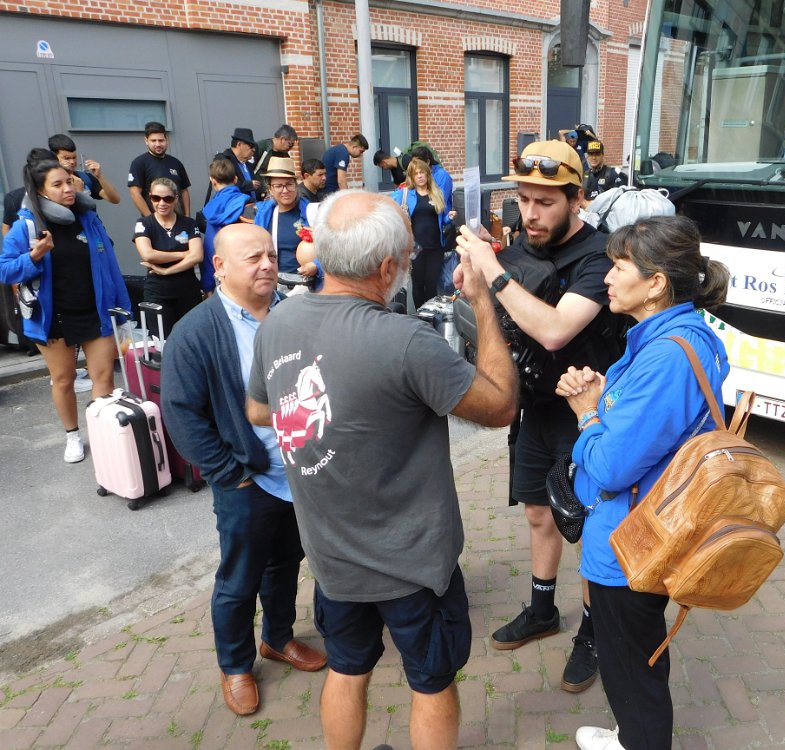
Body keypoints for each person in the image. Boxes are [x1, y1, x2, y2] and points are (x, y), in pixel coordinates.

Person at [246, 190, 518, 750]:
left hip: (333, 558)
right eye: (409, 257)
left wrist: (334, 414)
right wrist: (483, 302)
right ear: (387, 269)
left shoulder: (279, 322)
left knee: (348, 668)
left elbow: (258, 409)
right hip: (412, 563)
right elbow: (500, 407)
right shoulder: (405, 341)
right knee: (431, 681)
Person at [558, 216, 730, 750]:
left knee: (632, 668)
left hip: (632, 540)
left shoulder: (668, 355)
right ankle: (632, 735)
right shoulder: (678, 338)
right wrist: (608, 397)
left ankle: (638, 740)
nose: (608, 278)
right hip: (640, 527)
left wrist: (588, 413)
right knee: (637, 658)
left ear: (656, 283)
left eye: (619, 267)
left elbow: (612, 467)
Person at [459, 139, 623, 693]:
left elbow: (555, 330)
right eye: (524, 200)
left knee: (590, 529)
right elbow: (497, 313)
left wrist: (493, 271)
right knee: (538, 513)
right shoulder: (520, 245)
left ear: (576, 200)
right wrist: (475, 283)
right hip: (536, 408)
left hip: (587, 414)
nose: (530, 213)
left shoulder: (600, 257)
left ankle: (594, 632)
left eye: (545, 202)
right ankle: (543, 609)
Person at [159, 223, 327, 717]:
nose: (267, 265)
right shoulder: (197, 331)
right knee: (239, 578)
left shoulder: (289, 314)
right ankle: (235, 665)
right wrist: (228, 473)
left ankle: (277, 638)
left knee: (286, 563)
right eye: (253, 258)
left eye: (271, 255)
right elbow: (181, 413)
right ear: (219, 266)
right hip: (245, 477)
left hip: (297, 471)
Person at [0, 157, 130, 462]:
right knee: (63, 379)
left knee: (104, 378)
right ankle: (72, 435)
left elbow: (110, 266)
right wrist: (34, 256)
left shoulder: (88, 218)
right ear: (40, 191)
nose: (67, 189)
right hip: (53, 317)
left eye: (69, 181)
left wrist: (123, 309)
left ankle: (103, 436)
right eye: (57, 184)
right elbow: (5, 270)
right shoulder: (26, 226)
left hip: (95, 311)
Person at [132, 177, 204, 337]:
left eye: (168, 199)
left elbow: (197, 256)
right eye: (156, 198)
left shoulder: (189, 223)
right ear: (150, 197)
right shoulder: (144, 223)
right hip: (158, 294)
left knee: (192, 339)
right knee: (162, 342)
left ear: (176, 198)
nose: (162, 203)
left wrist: (167, 271)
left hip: (188, 292)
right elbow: (148, 254)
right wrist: (184, 254)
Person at [391, 159, 456, 308]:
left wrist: (449, 217)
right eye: (416, 174)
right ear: (412, 177)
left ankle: (430, 313)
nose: (420, 176)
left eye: (422, 172)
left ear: (427, 174)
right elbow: (388, 206)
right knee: (418, 284)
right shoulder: (405, 194)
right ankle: (420, 314)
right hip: (416, 248)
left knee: (432, 284)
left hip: (436, 247)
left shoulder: (436, 193)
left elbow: (442, 219)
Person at [201, 158, 253, 294]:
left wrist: (207, 286)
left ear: (213, 181)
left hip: (221, 277)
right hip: (246, 274)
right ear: (235, 179)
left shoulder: (210, 210)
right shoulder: (248, 204)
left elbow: (209, 249)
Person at [253, 157, 310, 275]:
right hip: (273, 280)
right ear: (270, 189)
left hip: (306, 280)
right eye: (278, 186)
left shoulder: (309, 213)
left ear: (296, 185)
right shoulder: (264, 215)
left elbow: (328, 249)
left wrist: (316, 265)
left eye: (289, 184)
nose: (285, 190)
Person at [127, 121, 192, 217]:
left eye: (161, 140)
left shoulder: (176, 163)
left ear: (167, 140)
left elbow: (184, 191)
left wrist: (187, 216)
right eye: (153, 141)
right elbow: (135, 193)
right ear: (146, 141)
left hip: (179, 221)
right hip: (155, 220)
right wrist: (151, 219)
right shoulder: (139, 163)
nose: (157, 144)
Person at [47, 134, 121, 205]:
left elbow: (115, 200)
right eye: (67, 158)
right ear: (54, 157)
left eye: (74, 157)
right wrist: (79, 193)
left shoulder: (85, 178)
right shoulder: (51, 183)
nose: (72, 162)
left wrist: (99, 176)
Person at [207, 128, 258, 202]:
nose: (253, 149)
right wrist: (248, 185)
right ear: (239, 144)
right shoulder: (223, 160)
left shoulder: (247, 164)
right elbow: (224, 185)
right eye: (251, 146)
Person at [409, 146, 454, 213]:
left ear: (427, 162)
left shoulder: (442, 176)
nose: (415, 166)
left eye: (419, 163)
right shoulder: (417, 175)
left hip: (439, 216)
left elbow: (441, 200)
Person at [254, 124, 298, 189]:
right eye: (290, 144)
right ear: (282, 139)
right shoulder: (262, 147)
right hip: (256, 188)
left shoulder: (285, 155)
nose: (291, 148)